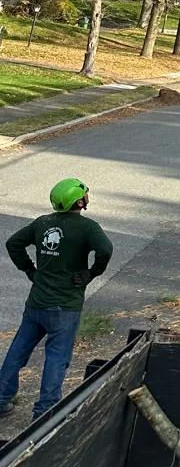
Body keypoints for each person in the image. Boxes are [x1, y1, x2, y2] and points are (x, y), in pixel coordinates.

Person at [0, 178, 112, 420]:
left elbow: (14, 243)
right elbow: (105, 250)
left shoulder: (43, 223)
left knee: (18, 349)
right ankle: (45, 410)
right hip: (65, 306)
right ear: (80, 201)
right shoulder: (88, 228)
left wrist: (30, 270)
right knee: (57, 356)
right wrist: (92, 272)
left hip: (36, 302)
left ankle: (1, 398)